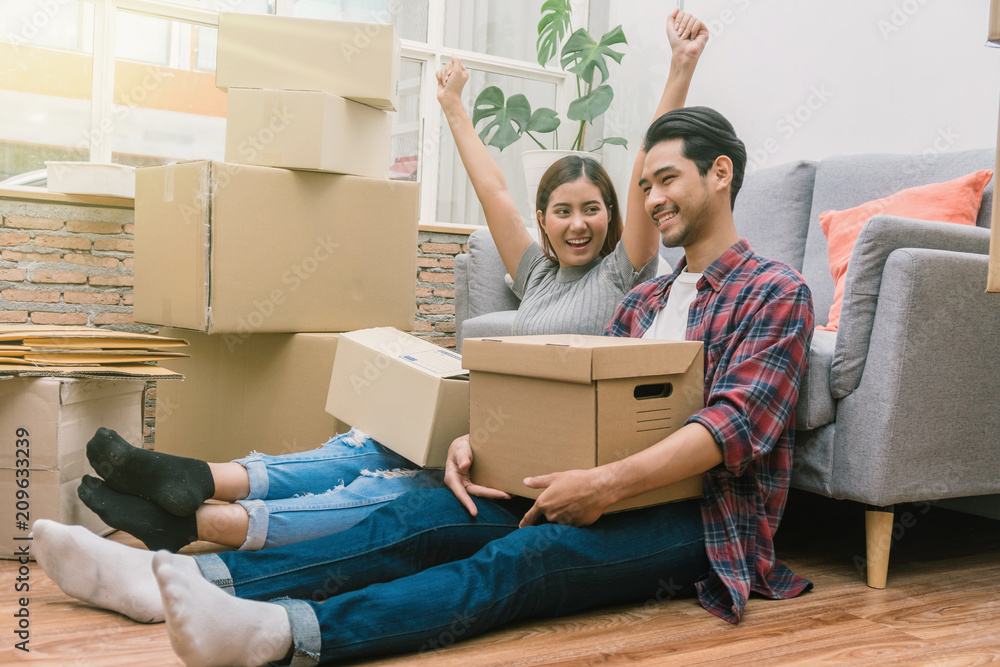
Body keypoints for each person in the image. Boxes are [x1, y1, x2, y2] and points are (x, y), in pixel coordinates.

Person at [34, 72, 816, 667]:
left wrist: (602, 486)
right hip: (587, 484)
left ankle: (288, 633)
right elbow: (580, 409)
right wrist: (486, 444)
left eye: (664, 181)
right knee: (418, 513)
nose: (652, 197)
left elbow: (730, 429)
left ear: (720, 174)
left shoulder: (776, 294)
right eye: (644, 184)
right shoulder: (643, 305)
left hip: (696, 527)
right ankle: (193, 583)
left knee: (519, 559)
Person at [76, 8, 709, 556]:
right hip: (487, 427)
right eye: (562, 210)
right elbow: (492, 189)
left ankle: (193, 517)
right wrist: (454, 105)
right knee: (365, 443)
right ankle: (199, 476)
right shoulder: (537, 273)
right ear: (543, 220)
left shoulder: (624, 270)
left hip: (539, 455)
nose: (579, 224)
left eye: (593, 209)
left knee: (381, 485)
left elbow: (644, 168)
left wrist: (679, 67)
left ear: (615, 215)